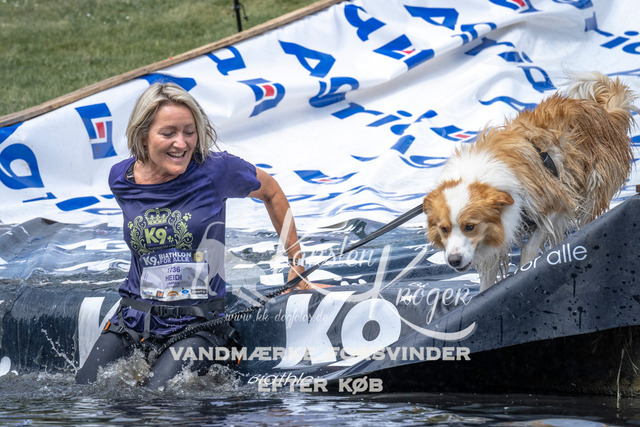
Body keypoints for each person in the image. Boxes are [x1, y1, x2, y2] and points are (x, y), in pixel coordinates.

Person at [76, 82, 308, 389]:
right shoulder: (122, 178)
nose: (181, 143)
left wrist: (297, 265)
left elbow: (272, 192)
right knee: (84, 391)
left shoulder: (216, 170)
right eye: (168, 133)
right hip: (134, 319)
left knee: (157, 399)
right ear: (143, 136)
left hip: (197, 323)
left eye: (189, 131)